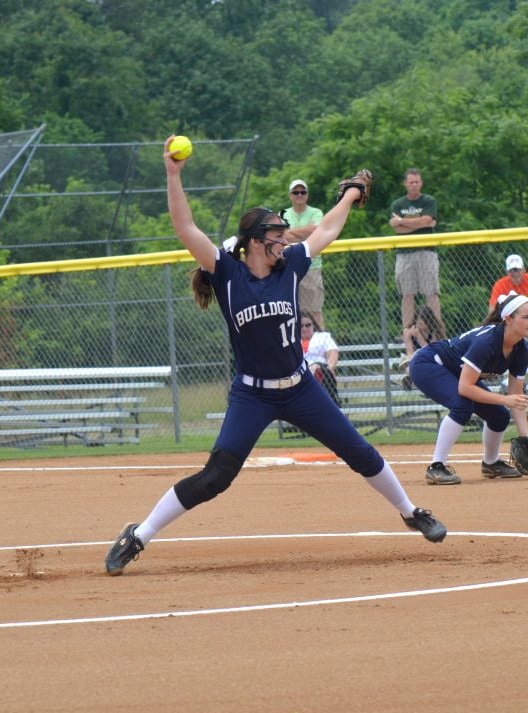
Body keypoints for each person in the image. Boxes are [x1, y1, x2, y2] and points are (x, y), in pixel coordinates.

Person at [104, 136, 447, 576]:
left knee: (359, 451)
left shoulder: (292, 266)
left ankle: (410, 511)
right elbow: (186, 228)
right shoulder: (226, 273)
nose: (284, 239)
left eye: (284, 233)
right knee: (216, 477)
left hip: (300, 387)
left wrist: (349, 195)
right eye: (275, 234)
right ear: (251, 242)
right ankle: (139, 534)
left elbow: (327, 230)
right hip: (252, 395)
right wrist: (172, 174)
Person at [409, 292, 528, 485]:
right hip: (429, 363)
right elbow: (465, 388)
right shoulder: (487, 342)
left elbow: (516, 397)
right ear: (508, 319)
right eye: (526, 317)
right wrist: (504, 399)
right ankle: (436, 466)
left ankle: (490, 463)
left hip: (457, 372)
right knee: (462, 405)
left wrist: (526, 439)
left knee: (499, 415)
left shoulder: (522, 349)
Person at [389, 169, 441, 332]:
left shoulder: (428, 201)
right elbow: (397, 229)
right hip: (405, 253)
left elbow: (428, 220)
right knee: (407, 294)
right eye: (411, 182)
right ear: (405, 184)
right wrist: (421, 223)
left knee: (431, 292)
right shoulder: (398, 204)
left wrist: (403, 221)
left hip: (427, 251)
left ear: (421, 183)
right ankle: (407, 330)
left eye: (416, 182)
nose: (414, 185)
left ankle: (437, 328)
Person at [281, 180, 325, 330]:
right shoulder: (283, 213)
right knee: (290, 311)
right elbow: (282, 237)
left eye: (303, 192)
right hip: (287, 267)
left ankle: (321, 348)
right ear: (290, 195)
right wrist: (307, 231)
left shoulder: (316, 212)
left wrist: (291, 232)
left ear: (307, 195)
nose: (299, 195)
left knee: (314, 311)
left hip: (311, 266)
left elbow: (317, 231)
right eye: (296, 192)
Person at [400, 305, 447, 389]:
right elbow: (409, 351)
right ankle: (411, 379)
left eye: (422, 323)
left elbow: (430, 351)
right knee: (408, 360)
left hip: (432, 356)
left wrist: (418, 336)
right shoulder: (408, 331)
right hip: (415, 358)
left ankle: (420, 383)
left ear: (429, 321)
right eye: (418, 323)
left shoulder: (435, 330)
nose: (420, 326)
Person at [301, 313, 339, 403]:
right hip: (300, 372)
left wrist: (330, 368)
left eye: (308, 325)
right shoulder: (292, 340)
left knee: (315, 368)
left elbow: (332, 352)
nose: (304, 328)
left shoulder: (323, 337)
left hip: (321, 371)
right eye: (301, 326)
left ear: (314, 325)